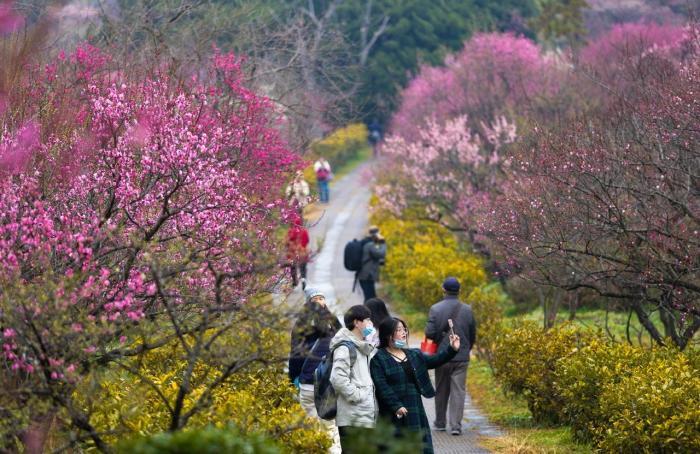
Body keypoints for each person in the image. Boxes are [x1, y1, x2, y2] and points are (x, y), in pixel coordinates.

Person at [371, 317, 460, 454]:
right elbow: (382, 386)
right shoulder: (379, 359)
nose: (404, 333)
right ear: (388, 335)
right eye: (399, 330)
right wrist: (396, 405)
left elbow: (434, 360)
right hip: (393, 413)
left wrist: (452, 349)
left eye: (404, 329)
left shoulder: (413, 354)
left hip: (414, 409)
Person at [289, 287, 342, 453]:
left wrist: (294, 377)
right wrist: (295, 377)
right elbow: (296, 354)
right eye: (315, 299)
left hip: (324, 382)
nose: (319, 301)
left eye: (321, 298)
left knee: (319, 426)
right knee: (324, 426)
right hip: (313, 382)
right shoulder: (306, 324)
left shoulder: (331, 321)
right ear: (308, 302)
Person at [424, 277, 477, 436]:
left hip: (442, 356)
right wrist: (467, 348)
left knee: (441, 389)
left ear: (443, 289)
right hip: (461, 357)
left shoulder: (435, 308)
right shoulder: (467, 310)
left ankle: (440, 423)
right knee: (458, 391)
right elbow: (472, 333)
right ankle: (456, 426)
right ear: (459, 290)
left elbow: (430, 333)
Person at [329, 305, 377, 452]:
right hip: (352, 416)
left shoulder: (362, 346)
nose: (371, 324)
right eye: (367, 320)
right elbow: (337, 379)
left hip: (363, 415)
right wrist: (358, 396)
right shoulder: (345, 348)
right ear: (357, 323)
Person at [357, 226, 387, 301]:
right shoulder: (370, 245)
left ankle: (367, 312)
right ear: (376, 235)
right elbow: (381, 253)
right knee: (370, 299)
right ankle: (365, 312)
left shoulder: (366, 242)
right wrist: (383, 243)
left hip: (365, 275)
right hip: (367, 276)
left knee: (370, 298)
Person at [286, 214, 309, 288]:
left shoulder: (291, 231)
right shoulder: (304, 231)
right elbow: (307, 240)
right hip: (302, 252)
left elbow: (287, 242)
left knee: (293, 267)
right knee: (303, 267)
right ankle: (303, 279)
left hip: (293, 253)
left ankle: (294, 281)